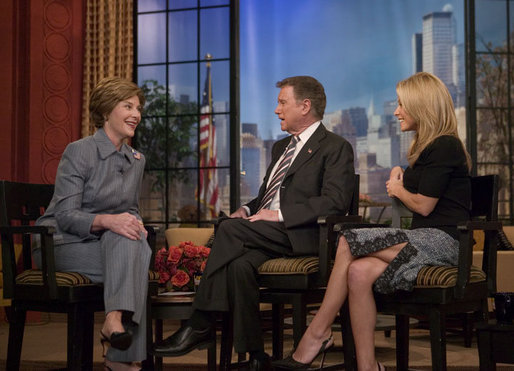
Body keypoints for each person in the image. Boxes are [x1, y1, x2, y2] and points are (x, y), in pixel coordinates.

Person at [151, 75, 355, 370]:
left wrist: (280, 215)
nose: (277, 109)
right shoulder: (280, 147)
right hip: (267, 234)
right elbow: (265, 198)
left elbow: (334, 201)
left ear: (305, 106)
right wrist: (247, 210)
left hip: (305, 235)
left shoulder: (335, 147)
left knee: (227, 229)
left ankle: (199, 323)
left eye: (282, 102)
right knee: (238, 265)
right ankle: (256, 357)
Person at [272, 71, 472, 371]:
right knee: (358, 273)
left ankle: (317, 332)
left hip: (445, 244)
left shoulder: (445, 145)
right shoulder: (427, 149)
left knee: (347, 240)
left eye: (402, 104)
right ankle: (369, 367)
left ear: (422, 106)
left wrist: (399, 189)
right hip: (421, 241)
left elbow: (425, 207)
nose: (396, 111)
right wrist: (397, 175)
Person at [34, 77, 151, 371]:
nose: (136, 114)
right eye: (128, 106)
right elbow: (65, 215)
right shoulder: (79, 151)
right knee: (135, 255)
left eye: (138, 107)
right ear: (106, 110)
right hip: (59, 244)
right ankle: (122, 358)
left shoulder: (137, 160)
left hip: (108, 244)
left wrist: (136, 224)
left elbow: (131, 210)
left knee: (132, 240)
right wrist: (108, 221)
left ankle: (114, 323)